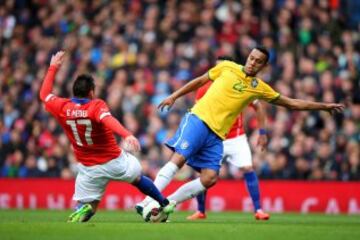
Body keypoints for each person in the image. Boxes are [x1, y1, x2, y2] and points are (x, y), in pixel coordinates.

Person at [136, 46, 344, 219]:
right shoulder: (227, 67)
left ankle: (168, 202)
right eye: (251, 58)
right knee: (179, 159)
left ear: (264, 65)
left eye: (258, 61)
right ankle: (149, 200)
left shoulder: (259, 87)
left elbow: (291, 103)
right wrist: (174, 96)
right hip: (198, 119)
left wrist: (323, 106)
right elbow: (200, 80)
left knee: (210, 178)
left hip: (217, 135)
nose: (252, 62)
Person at [39, 51, 175, 222]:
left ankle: (82, 209)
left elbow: (43, 95)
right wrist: (127, 135)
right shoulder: (96, 105)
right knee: (138, 178)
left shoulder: (62, 106)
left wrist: (53, 68)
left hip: (88, 167)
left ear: (74, 91)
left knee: (91, 206)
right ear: (91, 92)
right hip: (114, 161)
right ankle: (164, 202)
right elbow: (109, 120)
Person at [187, 57, 269, 220]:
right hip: (213, 138)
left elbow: (258, 106)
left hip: (236, 137)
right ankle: (201, 211)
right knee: (204, 175)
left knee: (248, 168)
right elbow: (198, 113)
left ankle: (258, 210)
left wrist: (262, 132)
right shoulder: (204, 88)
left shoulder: (241, 85)